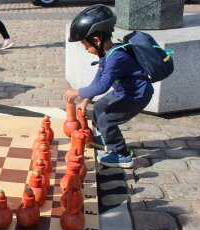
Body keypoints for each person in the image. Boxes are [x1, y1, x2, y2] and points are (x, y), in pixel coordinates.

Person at [63, 5, 154, 169]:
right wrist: (85, 100)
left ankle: (122, 154)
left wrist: (77, 92)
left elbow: (103, 86)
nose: (85, 49)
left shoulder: (116, 57)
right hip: (123, 91)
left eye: (85, 45)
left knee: (106, 119)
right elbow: (98, 79)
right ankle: (107, 138)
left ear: (96, 41)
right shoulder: (106, 54)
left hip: (137, 95)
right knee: (99, 108)